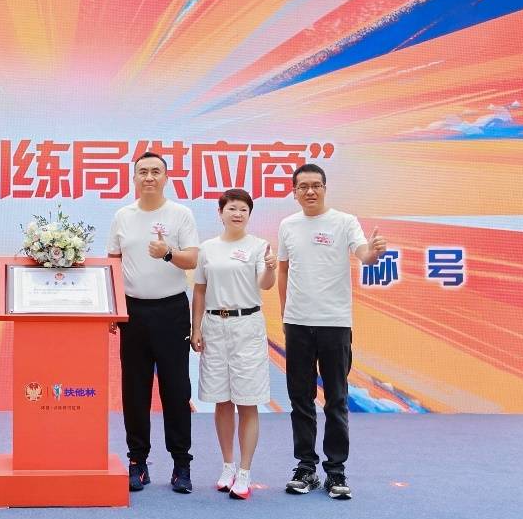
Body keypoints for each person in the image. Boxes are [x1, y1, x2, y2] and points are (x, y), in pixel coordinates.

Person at [277, 163, 385, 500]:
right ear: (294, 192)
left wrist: (373, 252)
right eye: (303, 186)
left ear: (325, 188)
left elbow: (364, 254)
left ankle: (336, 471)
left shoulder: (344, 221)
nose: (310, 191)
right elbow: (283, 271)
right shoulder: (288, 225)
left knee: (336, 399)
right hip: (297, 324)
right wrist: (284, 314)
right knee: (300, 398)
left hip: (334, 323)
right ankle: (305, 467)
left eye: (316, 185)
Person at [107, 151, 200, 493]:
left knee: (176, 389)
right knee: (135, 389)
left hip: (171, 310)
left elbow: (192, 260)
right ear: (134, 178)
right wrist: (113, 308)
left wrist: (168, 253)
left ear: (166, 177)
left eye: (155, 172)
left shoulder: (180, 214)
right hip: (133, 312)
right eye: (143, 172)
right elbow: (113, 265)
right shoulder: (123, 216)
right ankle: (137, 461)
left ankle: (181, 463)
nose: (149, 177)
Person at [191, 188, 276, 500]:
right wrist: (196, 327)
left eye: (243, 209)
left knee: (247, 400)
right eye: (232, 209)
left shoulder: (258, 246)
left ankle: (244, 471)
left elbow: (265, 284)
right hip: (214, 325)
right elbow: (200, 290)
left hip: (246, 326)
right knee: (221, 400)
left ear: (249, 214)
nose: (237, 214)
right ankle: (227, 465)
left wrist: (271, 267)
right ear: (221, 213)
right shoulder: (208, 248)